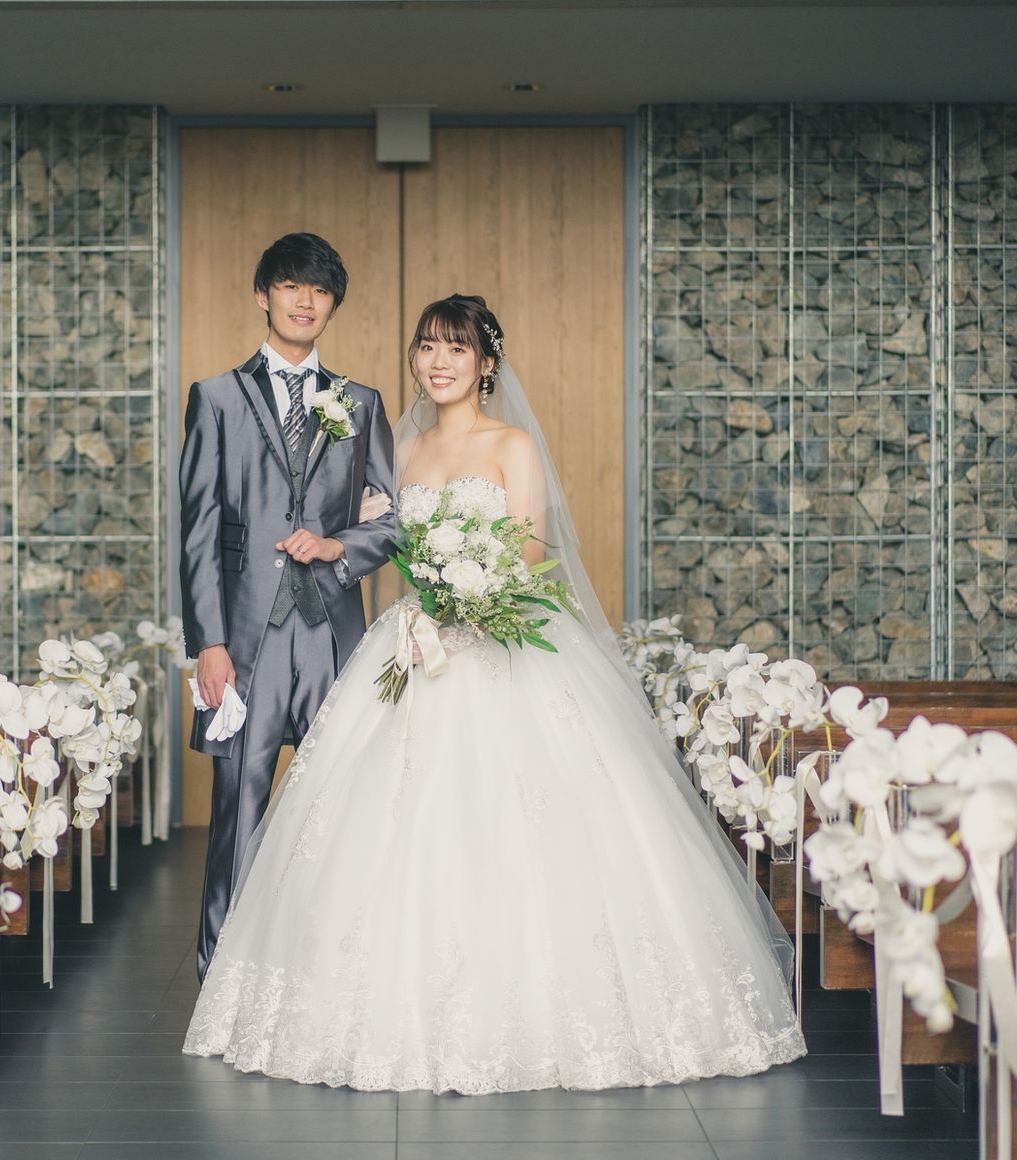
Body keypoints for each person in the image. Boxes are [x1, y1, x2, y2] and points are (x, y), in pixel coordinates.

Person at [183, 294, 806, 1092]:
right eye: (427, 347)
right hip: (415, 645)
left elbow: (531, 550)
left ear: (485, 363)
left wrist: (468, 593)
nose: (438, 362)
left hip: (497, 641)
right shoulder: (400, 448)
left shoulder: (512, 445)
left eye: (456, 348)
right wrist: (369, 551)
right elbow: (379, 537)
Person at [178, 233, 396, 982]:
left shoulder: (360, 403)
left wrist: (339, 545)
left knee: (339, 807)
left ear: (333, 305)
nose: (306, 300)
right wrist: (208, 643)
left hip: (334, 634)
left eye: (320, 290)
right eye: (291, 285)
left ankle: (328, 974)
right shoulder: (216, 398)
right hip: (247, 641)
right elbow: (199, 530)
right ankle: (222, 978)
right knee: (238, 807)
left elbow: (394, 519)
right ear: (263, 295)